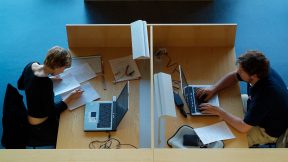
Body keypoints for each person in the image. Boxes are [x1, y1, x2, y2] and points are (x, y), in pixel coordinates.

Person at [196, 50, 288, 147]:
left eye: (241, 71)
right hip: (258, 107)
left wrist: (220, 112)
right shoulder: (260, 71)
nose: (238, 71)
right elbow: (234, 76)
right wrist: (213, 89)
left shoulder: (265, 96)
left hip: (267, 129)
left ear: (253, 76)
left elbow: (243, 127)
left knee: (230, 143)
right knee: (224, 107)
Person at [17, 46, 83, 147]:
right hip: (41, 126)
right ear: (56, 66)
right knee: (69, 136)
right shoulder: (45, 84)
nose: (63, 71)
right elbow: (52, 112)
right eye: (63, 68)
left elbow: (20, 85)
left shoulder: (32, 65)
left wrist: (50, 79)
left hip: (29, 116)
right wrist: (71, 97)